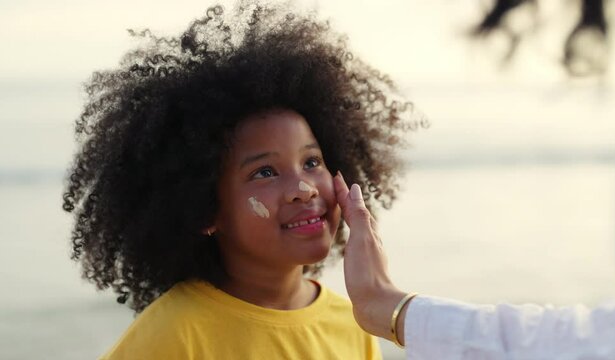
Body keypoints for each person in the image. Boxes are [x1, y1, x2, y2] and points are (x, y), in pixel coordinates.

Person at [61, 2, 416, 359]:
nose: (304, 189)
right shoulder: (174, 335)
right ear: (205, 210)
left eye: (312, 161)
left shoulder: (355, 323)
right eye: (265, 172)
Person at [334, 133, 615, 359]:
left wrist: (390, 307)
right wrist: (390, 307)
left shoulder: (341, 324)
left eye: (311, 162)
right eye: (281, 173)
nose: (303, 189)